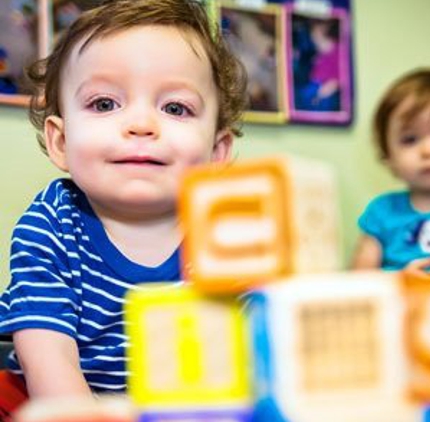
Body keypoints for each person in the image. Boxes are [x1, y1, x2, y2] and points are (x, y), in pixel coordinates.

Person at [0, 0, 247, 410]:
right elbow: (49, 357)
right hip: (58, 401)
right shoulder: (52, 224)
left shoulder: (227, 232)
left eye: (174, 108)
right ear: (61, 141)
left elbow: (257, 354)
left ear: (217, 152)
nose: (141, 124)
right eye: (104, 104)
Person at [352, 68, 430, 275]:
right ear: (388, 156)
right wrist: (398, 279)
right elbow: (359, 281)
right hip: (404, 306)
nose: (429, 150)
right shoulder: (381, 212)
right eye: (410, 139)